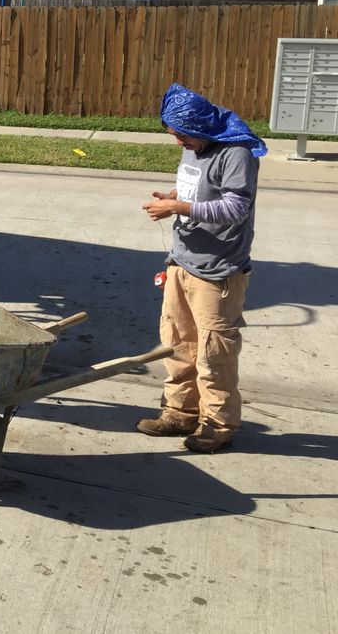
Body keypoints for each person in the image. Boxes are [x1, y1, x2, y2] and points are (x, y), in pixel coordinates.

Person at [138, 82, 265, 454]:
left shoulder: (236, 154)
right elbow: (197, 189)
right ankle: (180, 413)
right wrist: (174, 195)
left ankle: (218, 426)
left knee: (214, 355)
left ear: (201, 128)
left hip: (219, 272)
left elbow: (236, 208)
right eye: (174, 135)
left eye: (182, 135)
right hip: (182, 263)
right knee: (177, 345)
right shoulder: (196, 148)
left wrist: (178, 209)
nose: (178, 142)